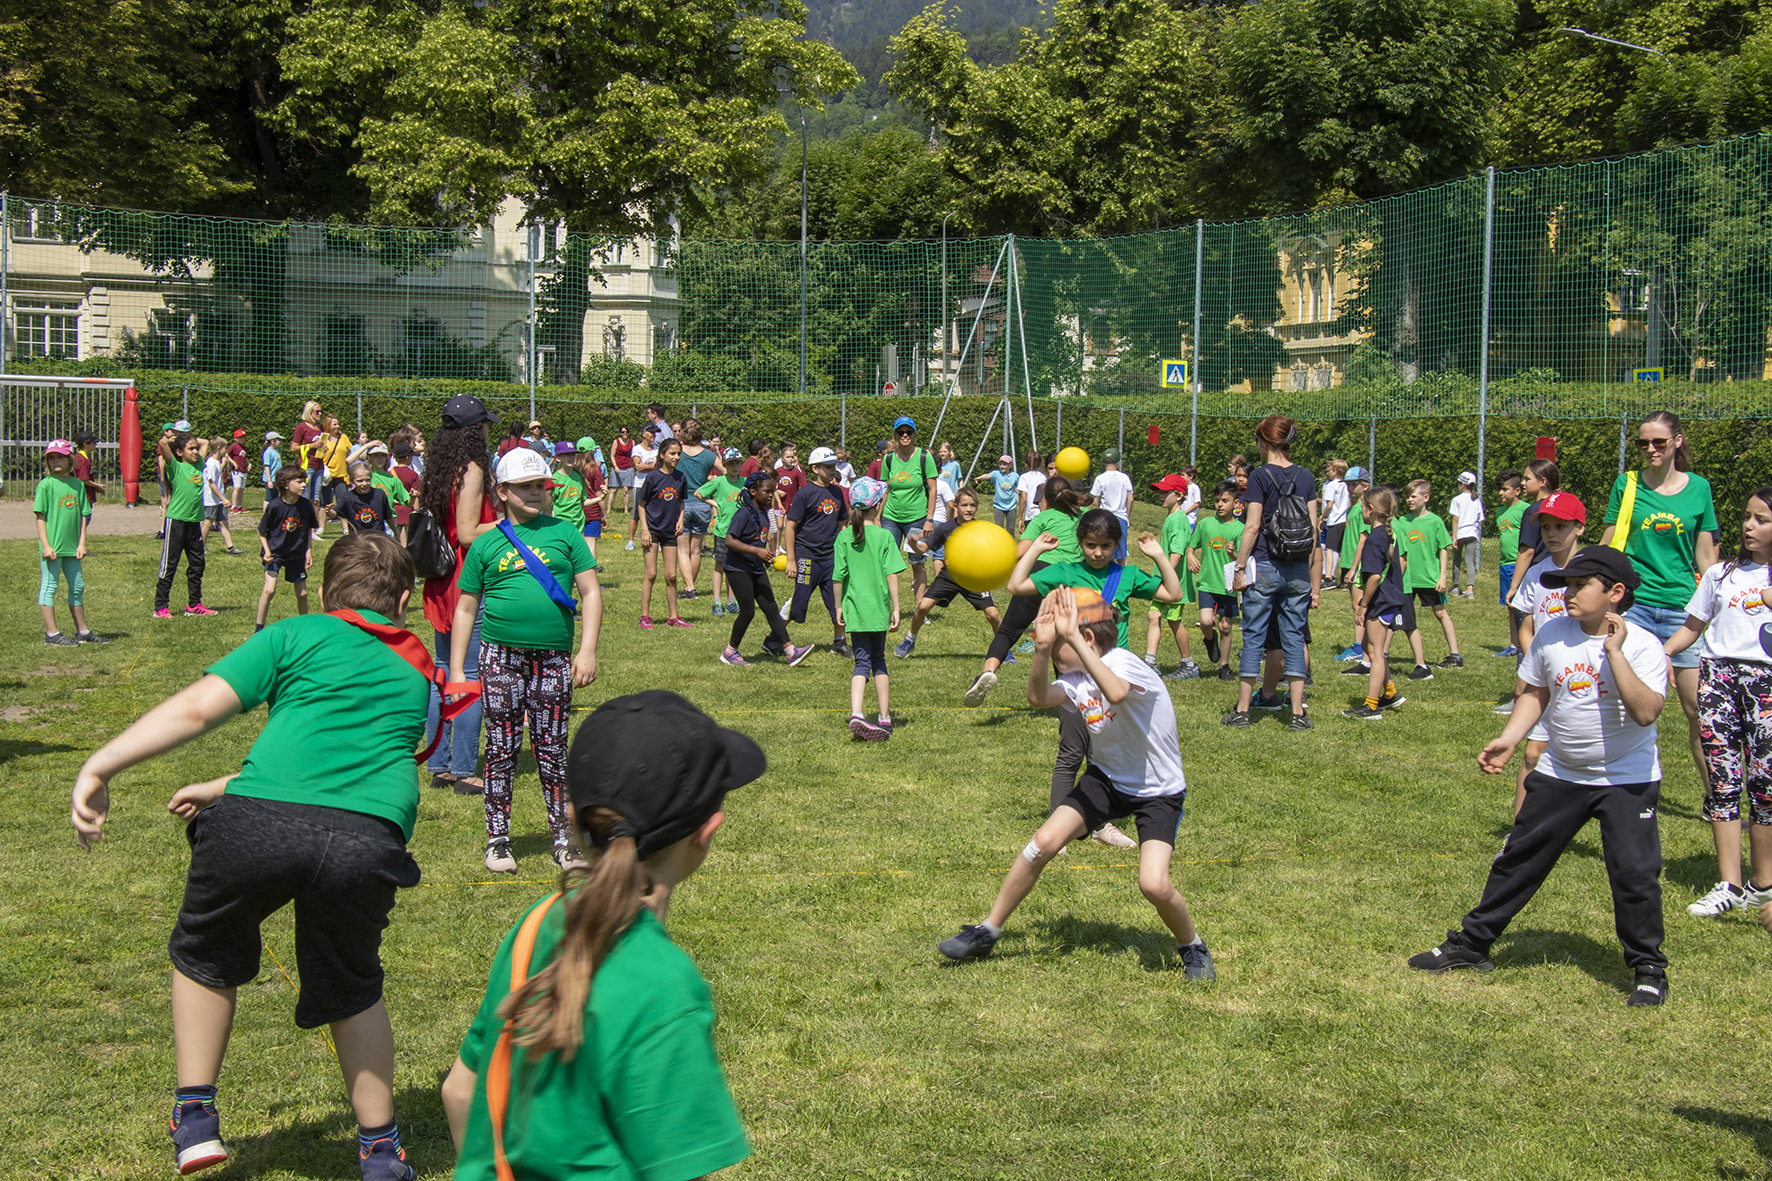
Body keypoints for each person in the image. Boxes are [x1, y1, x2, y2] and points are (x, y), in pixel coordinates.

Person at [70, 531, 453, 1181]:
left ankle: (194, 1118)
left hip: (259, 824)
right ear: (406, 600)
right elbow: (342, 763)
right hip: (369, 839)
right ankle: (382, 1151)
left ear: (326, 592)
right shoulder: (418, 670)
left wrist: (100, 763)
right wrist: (227, 783)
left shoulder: (295, 634)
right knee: (352, 983)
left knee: (206, 951)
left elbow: (199, 709)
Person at [439, 690, 760, 1181]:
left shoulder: (537, 923)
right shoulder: (662, 984)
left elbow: (459, 1091)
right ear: (708, 831)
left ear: (573, 817)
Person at [1408, 546, 1671, 1009]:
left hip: (1626, 781)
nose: (1567, 594)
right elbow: (1534, 692)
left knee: (1634, 874)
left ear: (1615, 592)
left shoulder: (1643, 645)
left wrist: (1614, 652)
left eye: (1578, 585)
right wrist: (1511, 738)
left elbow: (1646, 712)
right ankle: (1472, 944)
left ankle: (1647, 968)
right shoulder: (1553, 635)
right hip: (1560, 773)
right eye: (1566, 585)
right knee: (1519, 858)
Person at [936, 587, 1214, 980]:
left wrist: (1073, 640)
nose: (1049, 647)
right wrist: (1041, 649)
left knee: (1153, 884)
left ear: (1084, 640)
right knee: (1041, 845)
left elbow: (1115, 692)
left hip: (1158, 791)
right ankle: (988, 929)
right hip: (1107, 779)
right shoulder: (1076, 678)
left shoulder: (1123, 662)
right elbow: (1037, 697)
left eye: (1055, 638)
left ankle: (1193, 946)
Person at [453, 447, 602, 875]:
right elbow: (466, 608)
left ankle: (564, 838)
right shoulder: (486, 543)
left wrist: (586, 650)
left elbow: (591, 593)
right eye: (526, 487)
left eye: (541, 486)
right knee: (501, 749)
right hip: (499, 658)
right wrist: (460, 670)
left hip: (553, 661)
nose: (537, 494)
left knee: (553, 749)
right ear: (502, 491)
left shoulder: (566, 535)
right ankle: (498, 839)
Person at [1664, 486, 1772, 919]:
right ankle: (1728, 883)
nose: (1749, 526)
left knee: (1765, 786)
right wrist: (1662, 653)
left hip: (1766, 684)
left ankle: (1762, 883)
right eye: (1746, 517)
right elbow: (1692, 627)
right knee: (1723, 780)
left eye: (1761, 519)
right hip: (1719, 678)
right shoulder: (1720, 575)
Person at [1601, 409, 1720, 795]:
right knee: (1619, 703)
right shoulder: (1627, 483)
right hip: (1633, 606)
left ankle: (1716, 796)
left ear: (1677, 442)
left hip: (1681, 612)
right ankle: (1610, 786)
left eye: (1658, 442)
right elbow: (1608, 544)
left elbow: (1706, 557)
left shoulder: (1699, 488)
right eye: (1642, 442)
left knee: (1698, 712)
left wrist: (1717, 605)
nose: (1649, 449)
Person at [421, 395, 501, 796]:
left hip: (441, 580)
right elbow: (469, 532)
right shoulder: (470, 469)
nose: (490, 431)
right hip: (465, 582)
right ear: (475, 429)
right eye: (486, 424)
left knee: (442, 670)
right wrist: (509, 522)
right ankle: (465, 768)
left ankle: (440, 763)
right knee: (468, 674)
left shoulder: (439, 466)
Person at [1226, 415, 1319, 730]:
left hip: (1265, 564)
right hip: (1297, 568)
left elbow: (1252, 526)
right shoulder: (1306, 476)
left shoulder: (1259, 477)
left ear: (1264, 441)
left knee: (1253, 636)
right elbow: (1314, 530)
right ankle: (1296, 713)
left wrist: (1240, 567)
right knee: (1293, 637)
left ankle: (1242, 710)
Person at [966, 475, 1085, 706]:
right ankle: (1068, 693)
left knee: (1008, 631)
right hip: (1070, 580)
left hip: (1040, 574)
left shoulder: (1043, 518)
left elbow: (1020, 551)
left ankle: (988, 671)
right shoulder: (1082, 518)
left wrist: (991, 558)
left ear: (1046, 500)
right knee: (1063, 636)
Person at [1502, 492, 1587, 813]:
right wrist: (1534, 662)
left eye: (1559, 527)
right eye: (1546, 527)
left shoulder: (1592, 570)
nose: (1550, 534)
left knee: (1579, 757)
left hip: (1583, 678)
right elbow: (1526, 624)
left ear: (1579, 528)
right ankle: (1519, 832)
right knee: (1532, 754)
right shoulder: (1537, 573)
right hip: (1545, 678)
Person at [835, 477, 907, 740]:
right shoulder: (885, 536)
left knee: (860, 663)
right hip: (878, 610)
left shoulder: (844, 537)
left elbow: (837, 576)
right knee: (879, 661)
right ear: (877, 505)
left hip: (854, 609)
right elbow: (891, 575)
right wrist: (897, 608)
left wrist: (838, 608)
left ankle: (857, 713)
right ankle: (885, 719)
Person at [721, 473, 814, 667]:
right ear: (753, 491)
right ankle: (730, 652)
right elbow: (729, 540)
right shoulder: (744, 513)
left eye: (772, 491)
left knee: (771, 608)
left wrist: (764, 556)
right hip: (738, 568)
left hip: (754, 566)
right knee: (747, 611)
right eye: (767, 491)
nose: (772, 494)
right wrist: (756, 550)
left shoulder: (763, 512)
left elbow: (757, 537)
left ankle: (790, 651)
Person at [898, 487, 1002, 658]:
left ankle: (1003, 649)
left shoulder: (981, 529)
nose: (969, 509)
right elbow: (924, 547)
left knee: (993, 614)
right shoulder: (946, 528)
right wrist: (915, 545)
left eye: (973, 505)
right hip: (949, 576)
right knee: (923, 606)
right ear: (955, 506)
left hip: (973, 577)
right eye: (964, 505)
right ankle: (910, 640)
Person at [1342, 487, 1407, 720]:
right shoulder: (1387, 535)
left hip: (1380, 601)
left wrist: (1363, 604)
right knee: (1374, 648)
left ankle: (1371, 706)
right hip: (1390, 598)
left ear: (1371, 509)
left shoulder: (1374, 539)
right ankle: (1390, 693)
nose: (1360, 510)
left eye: (1362, 506)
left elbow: (1375, 577)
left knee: (1375, 653)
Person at [35, 439, 103, 645]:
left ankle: (82, 631)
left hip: (72, 548)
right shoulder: (45, 486)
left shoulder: (77, 485)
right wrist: (46, 545)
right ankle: (52, 634)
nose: (55, 461)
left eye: (60, 457)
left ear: (70, 459)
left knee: (77, 586)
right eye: (51, 458)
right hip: (53, 549)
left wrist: (82, 543)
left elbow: (83, 515)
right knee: (50, 586)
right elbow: (40, 517)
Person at [785, 446, 851, 656]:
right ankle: (774, 639)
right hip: (807, 556)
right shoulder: (805, 494)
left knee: (836, 600)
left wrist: (844, 553)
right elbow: (790, 526)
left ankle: (839, 642)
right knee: (798, 601)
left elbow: (842, 524)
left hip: (830, 557)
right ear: (815, 468)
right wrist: (791, 560)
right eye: (828, 466)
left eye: (834, 466)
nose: (833, 470)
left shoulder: (837, 492)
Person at [1395, 479, 1462, 676]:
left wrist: (1442, 576)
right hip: (1407, 579)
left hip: (1428, 578)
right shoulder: (1402, 521)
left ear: (1426, 498)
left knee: (1440, 612)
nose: (1409, 500)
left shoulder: (1435, 521)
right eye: (1407, 496)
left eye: (1413, 496)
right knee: (1397, 616)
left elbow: (1443, 549)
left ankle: (1455, 654)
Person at [1145, 474, 1200, 679]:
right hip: (1163, 581)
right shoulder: (1171, 517)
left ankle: (1189, 664)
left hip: (1173, 584)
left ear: (1179, 495)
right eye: (1160, 491)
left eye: (1165, 492)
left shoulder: (1178, 520)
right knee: (1153, 615)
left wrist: (1167, 578)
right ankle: (1150, 662)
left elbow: (1177, 553)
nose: (1161, 496)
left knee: (1174, 621)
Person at [879, 416, 939, 602]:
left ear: (914, 434)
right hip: (891, 518)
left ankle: (920, 609)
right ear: (895, 435)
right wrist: (877, 517)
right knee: (885, 564)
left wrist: (929, 519)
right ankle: (885, 608)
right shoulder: (888, 458)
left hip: (917, 518)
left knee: (917, 563)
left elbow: (933, 489)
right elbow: (884, 490)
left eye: (908, 432)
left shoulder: (924, 457)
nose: (905, 435)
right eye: (901, 432)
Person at [156, 431, 216, 618]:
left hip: (193, 523)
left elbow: (206, 442)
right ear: (179, 452)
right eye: (190, 449)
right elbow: (163, 444)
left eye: (195, 449)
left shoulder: (198, 465)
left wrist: (189, 440)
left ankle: (194, 605)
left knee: (197, 564)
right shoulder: (175, 466)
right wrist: (173, 440)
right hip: (176, 522)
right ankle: (160, 607)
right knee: (169, 565)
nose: (196, 451)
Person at [1189, 480, 1243, 680]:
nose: (1220, 505)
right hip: (1207, 583)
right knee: (1205, 621)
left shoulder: (1240, 528)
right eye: (1217, 500)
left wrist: (1234, 554)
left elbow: (1243, 558)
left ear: (1236, 503)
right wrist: (1190, 556)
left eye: (1225, 501)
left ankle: (1224, 666)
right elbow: (1191, 546)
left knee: (1226, 626)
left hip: (1228, 585)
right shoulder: (1205, 524)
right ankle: (1210, 640)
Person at [255, 466, 319, 631]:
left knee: (303, 594)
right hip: (275, 553)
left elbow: (308, 530)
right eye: (298, 482)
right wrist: (267, 551)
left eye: (304, 481)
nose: (303, 485)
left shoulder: (305, 505)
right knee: (269, 590)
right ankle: (258, 629)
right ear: (285, 485)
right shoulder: (274, 506)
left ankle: (305, 628)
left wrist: (308, 552)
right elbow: (261, 532)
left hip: (296, 554)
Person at [637, 437, 690, 629]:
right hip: (652, 531)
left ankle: (673, 617)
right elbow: (641, 505)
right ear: (662, 455)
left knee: (671, 576)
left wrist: (681, 518)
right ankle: (645, 616)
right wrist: (644, 530)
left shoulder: (681, 478)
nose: (676, 457)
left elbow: (681, 502)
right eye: (672, 453)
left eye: (678, 454)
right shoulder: (653, 477)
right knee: (651, 574)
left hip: (670, 532)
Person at [1503, 458, 1561, 608]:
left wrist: (1514, 587)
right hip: (1560, 576)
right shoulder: (1562, 506)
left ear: (1542, 481)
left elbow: (1527, 551)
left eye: (1527, 479)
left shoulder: (1533, 511)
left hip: (1537, 578)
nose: (1523, 483)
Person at [697, 448, 746, 617]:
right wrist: (714, 503)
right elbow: (699, 493)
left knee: (735, 568)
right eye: (730, 463)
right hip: (722, 531)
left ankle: (732, 601)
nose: (734, 466)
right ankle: (717, 602)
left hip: (739, 532)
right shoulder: (719, 482)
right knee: (720, 566)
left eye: (737, 463)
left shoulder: (745, 483)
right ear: (724, 465)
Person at [676, 419, 721, 597]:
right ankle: (689, 587)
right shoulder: (709, 455)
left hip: (682, 505)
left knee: (682, 550)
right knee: (696, 551)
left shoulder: (678, 452)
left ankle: (690, 587)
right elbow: (726, 471)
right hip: (703, 504)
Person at [1334, 466, 1372, 657]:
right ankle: (1361, 644)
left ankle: (1360, 648)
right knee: (1354, 603)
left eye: (1354, 484)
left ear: (1365, 486)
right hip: (1349, 562)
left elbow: (1363, 539)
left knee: (1359, 604)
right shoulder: (1353, 508)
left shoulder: (1364, 509)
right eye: (1348, 484)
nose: (1350, 487)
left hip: (1356, 564)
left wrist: (1354, 568)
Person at [1494, 469, 1527, 658]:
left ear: (1517, 491)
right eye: (1500, 489)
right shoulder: (1500, 512)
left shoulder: (1524, 510)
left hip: (1520, 564)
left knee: (1524, 605)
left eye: (1505, 489)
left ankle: (1526, 642)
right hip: (1505, 565)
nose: (1501, 493)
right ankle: (1514, 644)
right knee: (1510, 606)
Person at [1087, 448, 1135, 560]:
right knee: (1121, 553)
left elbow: (1094, 500)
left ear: (1104, 462)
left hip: (1105, 518)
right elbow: (1131, 499)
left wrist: (1097, 503)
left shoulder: (1100, 478)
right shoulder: (1125, 478)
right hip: (1121, 517)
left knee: (1107, 549)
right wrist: (1127, 516)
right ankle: (1122, 574)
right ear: (1118, 462)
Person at [329, 462, 394, 537]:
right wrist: (329, 512)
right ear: (352, 481)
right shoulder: (348, 497)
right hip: (358, 539)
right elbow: (334, 514)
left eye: (367, 480)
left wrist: (395, 532)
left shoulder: (379, 494)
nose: (364, 483)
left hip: (378, 538)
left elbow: (388, 516)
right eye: (360, 481)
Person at [201, 437, 242, 555]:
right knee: (208, 523)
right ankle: (201, 547)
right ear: (218, 448)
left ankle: (231, 547)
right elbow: (211, 483)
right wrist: (223, 498)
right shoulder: (210, 463)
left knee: (224, 522)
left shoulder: (216, 462)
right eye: (225, 448)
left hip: (218, 499)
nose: (226, 450)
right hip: (211, 499)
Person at [1448, 470, 1485, 599]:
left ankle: (1456, 587)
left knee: (1457, 560)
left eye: (1459, 483)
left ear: (1463, 484)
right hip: (1473, 534)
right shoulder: (1476, 500)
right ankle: (1470, 590)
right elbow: (1480, 519)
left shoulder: (1457, 500)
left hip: (1461, 534)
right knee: (1470, 562)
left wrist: (1454, 537)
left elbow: (1456, 519)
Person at [626, 424, 660, 553]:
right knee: (635, 513)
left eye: (655, 433)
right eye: (651, 433)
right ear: (644, 434)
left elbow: (659, 465)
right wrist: (654, 467)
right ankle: (630, 541)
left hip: (654, 484)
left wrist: (649, 466)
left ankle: (655, 539)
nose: (653, 436)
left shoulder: (657, 449)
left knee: (654, 513)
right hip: (640, 484)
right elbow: (638, 466)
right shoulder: (637, 449)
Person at [574, 436, 609, 559]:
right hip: (592, 512)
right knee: (591, 545)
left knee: (577, 546)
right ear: (592, 451)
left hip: (576, 512)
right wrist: (604, 515)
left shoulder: (573, 470)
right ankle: (591, 573)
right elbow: (599, 495)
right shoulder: (595, 470)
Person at [772, 441, 806, 554]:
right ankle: (777, 549)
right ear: (782, 459)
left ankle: (789, 548)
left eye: (792, 457)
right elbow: (772, 486)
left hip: (791, 504)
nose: (791, 459)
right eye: (788, 457)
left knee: (788, 527)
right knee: (779, 526)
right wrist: (776, 492)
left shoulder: (796, 472)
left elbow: (803, 487)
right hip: (779, 503)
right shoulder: (777, 472)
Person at [1320, 459, 1350, 586]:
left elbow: (1329, 504)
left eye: (1330, 470)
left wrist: (1322, 517)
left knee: (1329, 549)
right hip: (1343, 520)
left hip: (1334, 520)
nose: (1327, 472)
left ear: (1335, 471)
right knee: (1337, 549)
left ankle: (1328, 578)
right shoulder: (1345, 484)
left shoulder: (1333, 485)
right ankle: (1337, 576)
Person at [292, 401, 326, 508]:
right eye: (317, 411)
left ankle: (313, 523)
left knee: (315, 499)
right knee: (304, 496)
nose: (320, 414)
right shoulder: (301, 427)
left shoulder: (321, 428)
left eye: (321, 411)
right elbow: (293, 448)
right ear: (309, 412)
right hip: (306, 466)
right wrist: (311, 446)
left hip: (319, 465)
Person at [977, 454, 1021, 531]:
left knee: (1011, 529)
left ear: (1010, 465)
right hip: (998, 506)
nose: (1002, 466)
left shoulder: (1015, 476)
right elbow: (988, 476)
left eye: (1005, 464)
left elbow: (1018, 487)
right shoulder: (996, 474)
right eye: (1000, 464)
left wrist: (1017, 490)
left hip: (1011, 506)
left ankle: (1010, 543)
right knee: (999, 528)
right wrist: (981, 478)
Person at [1015, 449, 1048, 528]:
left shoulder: (1024, 477)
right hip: (1042, 513)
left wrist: (1020, 518)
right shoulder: (1044, 477)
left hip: (1030, 515)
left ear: (1026, 464)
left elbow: (1023, 499)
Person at [610, 425, 635, 517]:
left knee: (626, 490)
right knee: (614, 489)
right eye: (623, 432)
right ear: (620, 433)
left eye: (626, 432)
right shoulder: (616, 442)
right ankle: (609, 509)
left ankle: (626, 510)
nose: (625, 434)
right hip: (617, 467)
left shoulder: (632, 442)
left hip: (628, 467)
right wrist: (615, 466)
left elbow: (634, 454)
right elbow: (612, 455)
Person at [227, 429, 250, 515]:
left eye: (243, 437)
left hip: (243, 470)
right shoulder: (234, 446)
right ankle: (234, 506)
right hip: (236, 471)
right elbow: (227, 454)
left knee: (241, 489)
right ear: (236, 438)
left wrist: (248, 463)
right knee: (236, 488)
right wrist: (233, 463)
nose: (242, 439)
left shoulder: (244, 448)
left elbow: (245, 457)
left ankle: (239, 505)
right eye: (240, 438)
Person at [261, 432, 284, 509]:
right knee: (268, 498)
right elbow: (266, 467)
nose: (279, 442)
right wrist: (269, 481)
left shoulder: (276, 451)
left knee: (275, 497)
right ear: (272, 441)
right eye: (278, 440)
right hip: (271, 478)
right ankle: (266, 515)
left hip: (276, 478)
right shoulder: (267, 452)